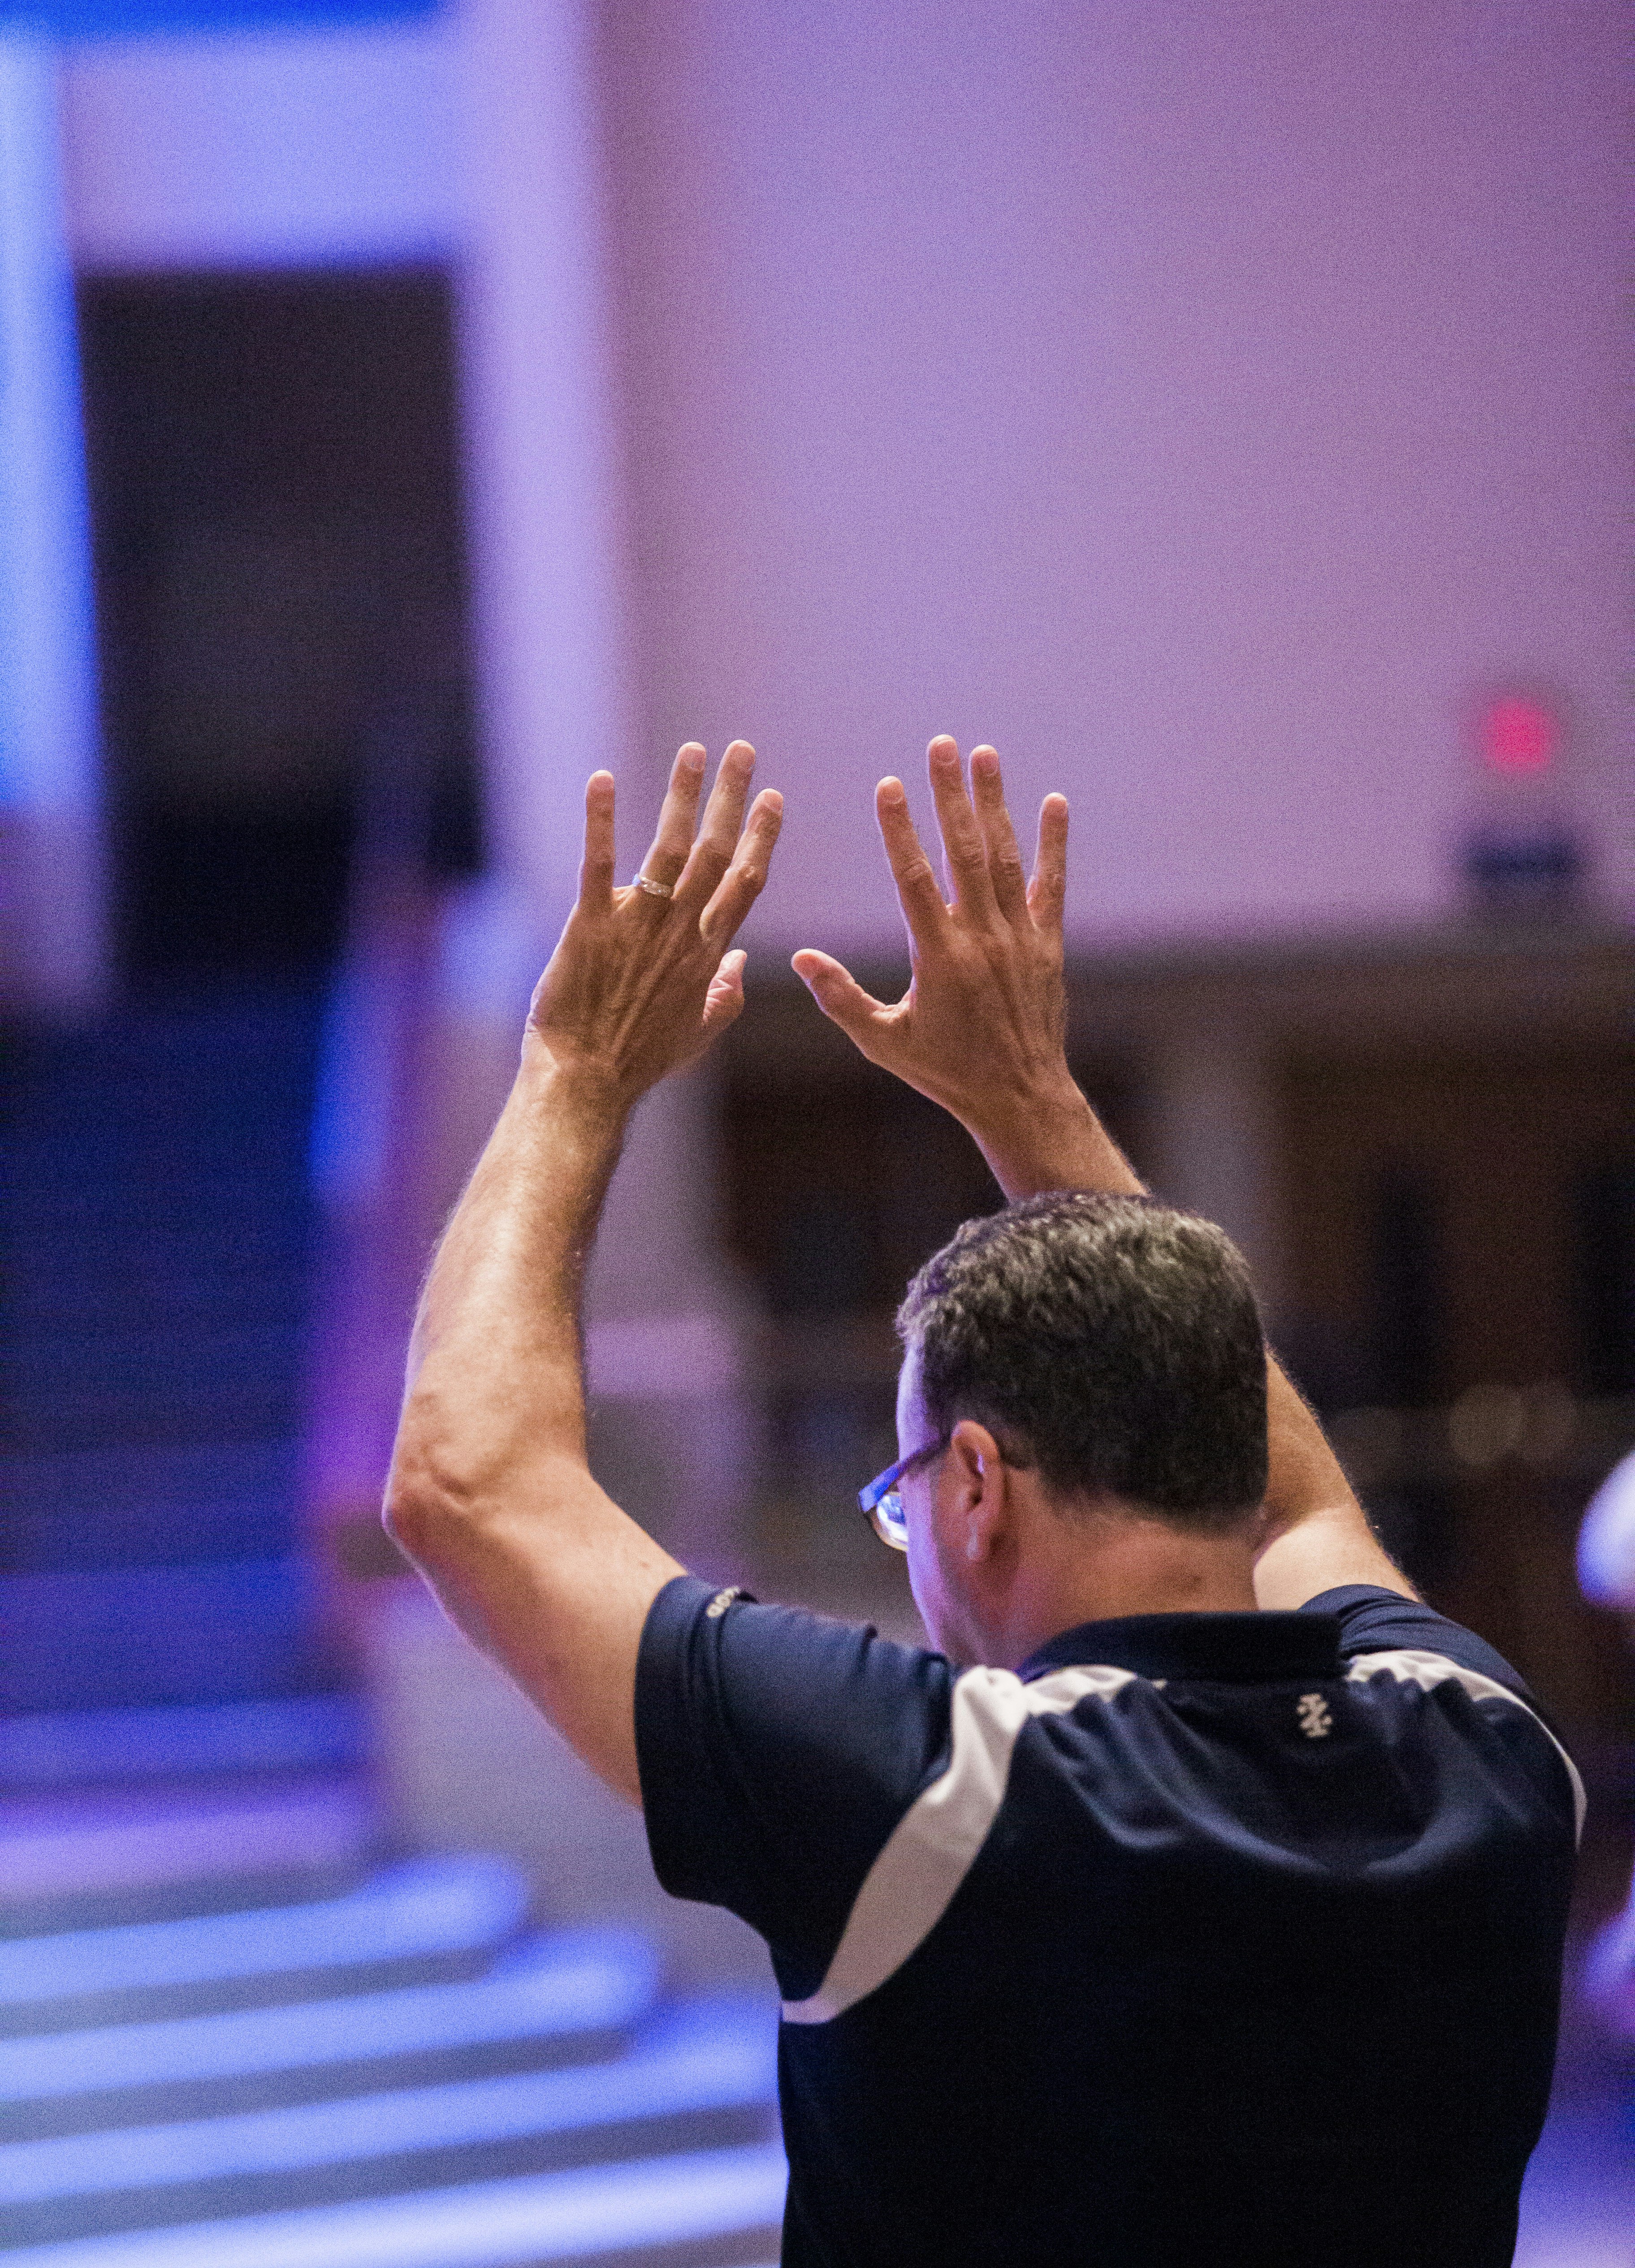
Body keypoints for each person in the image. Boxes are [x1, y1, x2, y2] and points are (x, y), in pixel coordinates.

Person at [385, 735, 1581, 2267]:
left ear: (976, 1489)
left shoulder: (940, 1799)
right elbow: (1290, 1507)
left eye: (905, 1489)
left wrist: (570, 1071)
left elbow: (468, 1486)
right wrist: (1033, 1101)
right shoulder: (1482, 1743)